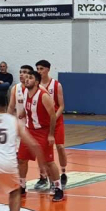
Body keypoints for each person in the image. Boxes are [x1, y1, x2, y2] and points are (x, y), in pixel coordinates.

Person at [18, 70, 64, 202]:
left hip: (43, 131)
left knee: (49, 162)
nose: (27, 79)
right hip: (29, 131)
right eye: (26, 77)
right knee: (21, 159)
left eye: (30, 78)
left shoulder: (43, 96)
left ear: (37, 82)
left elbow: (53, 116)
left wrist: (51, 135)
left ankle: (58, 188)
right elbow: (28, 107)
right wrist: (23, 113)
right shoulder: (25, 92)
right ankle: (22, 186)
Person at [36, 59, 68, 196]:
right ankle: (44, 176)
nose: (39, 71)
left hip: (56, 120)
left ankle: (63, 172)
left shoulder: (56, 85)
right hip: (43, 123)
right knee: (43, 151)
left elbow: (61, 105)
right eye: (37, 69)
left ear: (48, 69)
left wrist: (54, 117)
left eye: (41, 69)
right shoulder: (35, 86)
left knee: (60, 146)